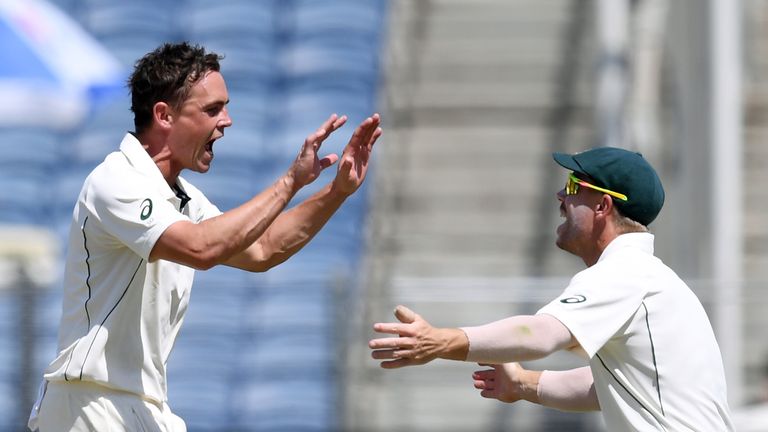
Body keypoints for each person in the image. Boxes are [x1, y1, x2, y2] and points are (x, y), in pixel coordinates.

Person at [28, 42, 382, 432]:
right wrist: (289, 182)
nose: (227, 121)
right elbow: (202, 248)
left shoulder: (184, 198)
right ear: (163, 115)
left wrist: (336, 192)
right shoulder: (116, 180)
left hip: (144, 406)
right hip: (89, 402)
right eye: (213, 109)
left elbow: (263, 248)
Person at [369, 147, 733, 431]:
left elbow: (540, 334)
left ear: (603, 205)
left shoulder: (625, 273)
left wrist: (441, 341)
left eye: (574, 187)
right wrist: (525, 384)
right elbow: (607, 388)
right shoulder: (652, 279)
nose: (561, 195)